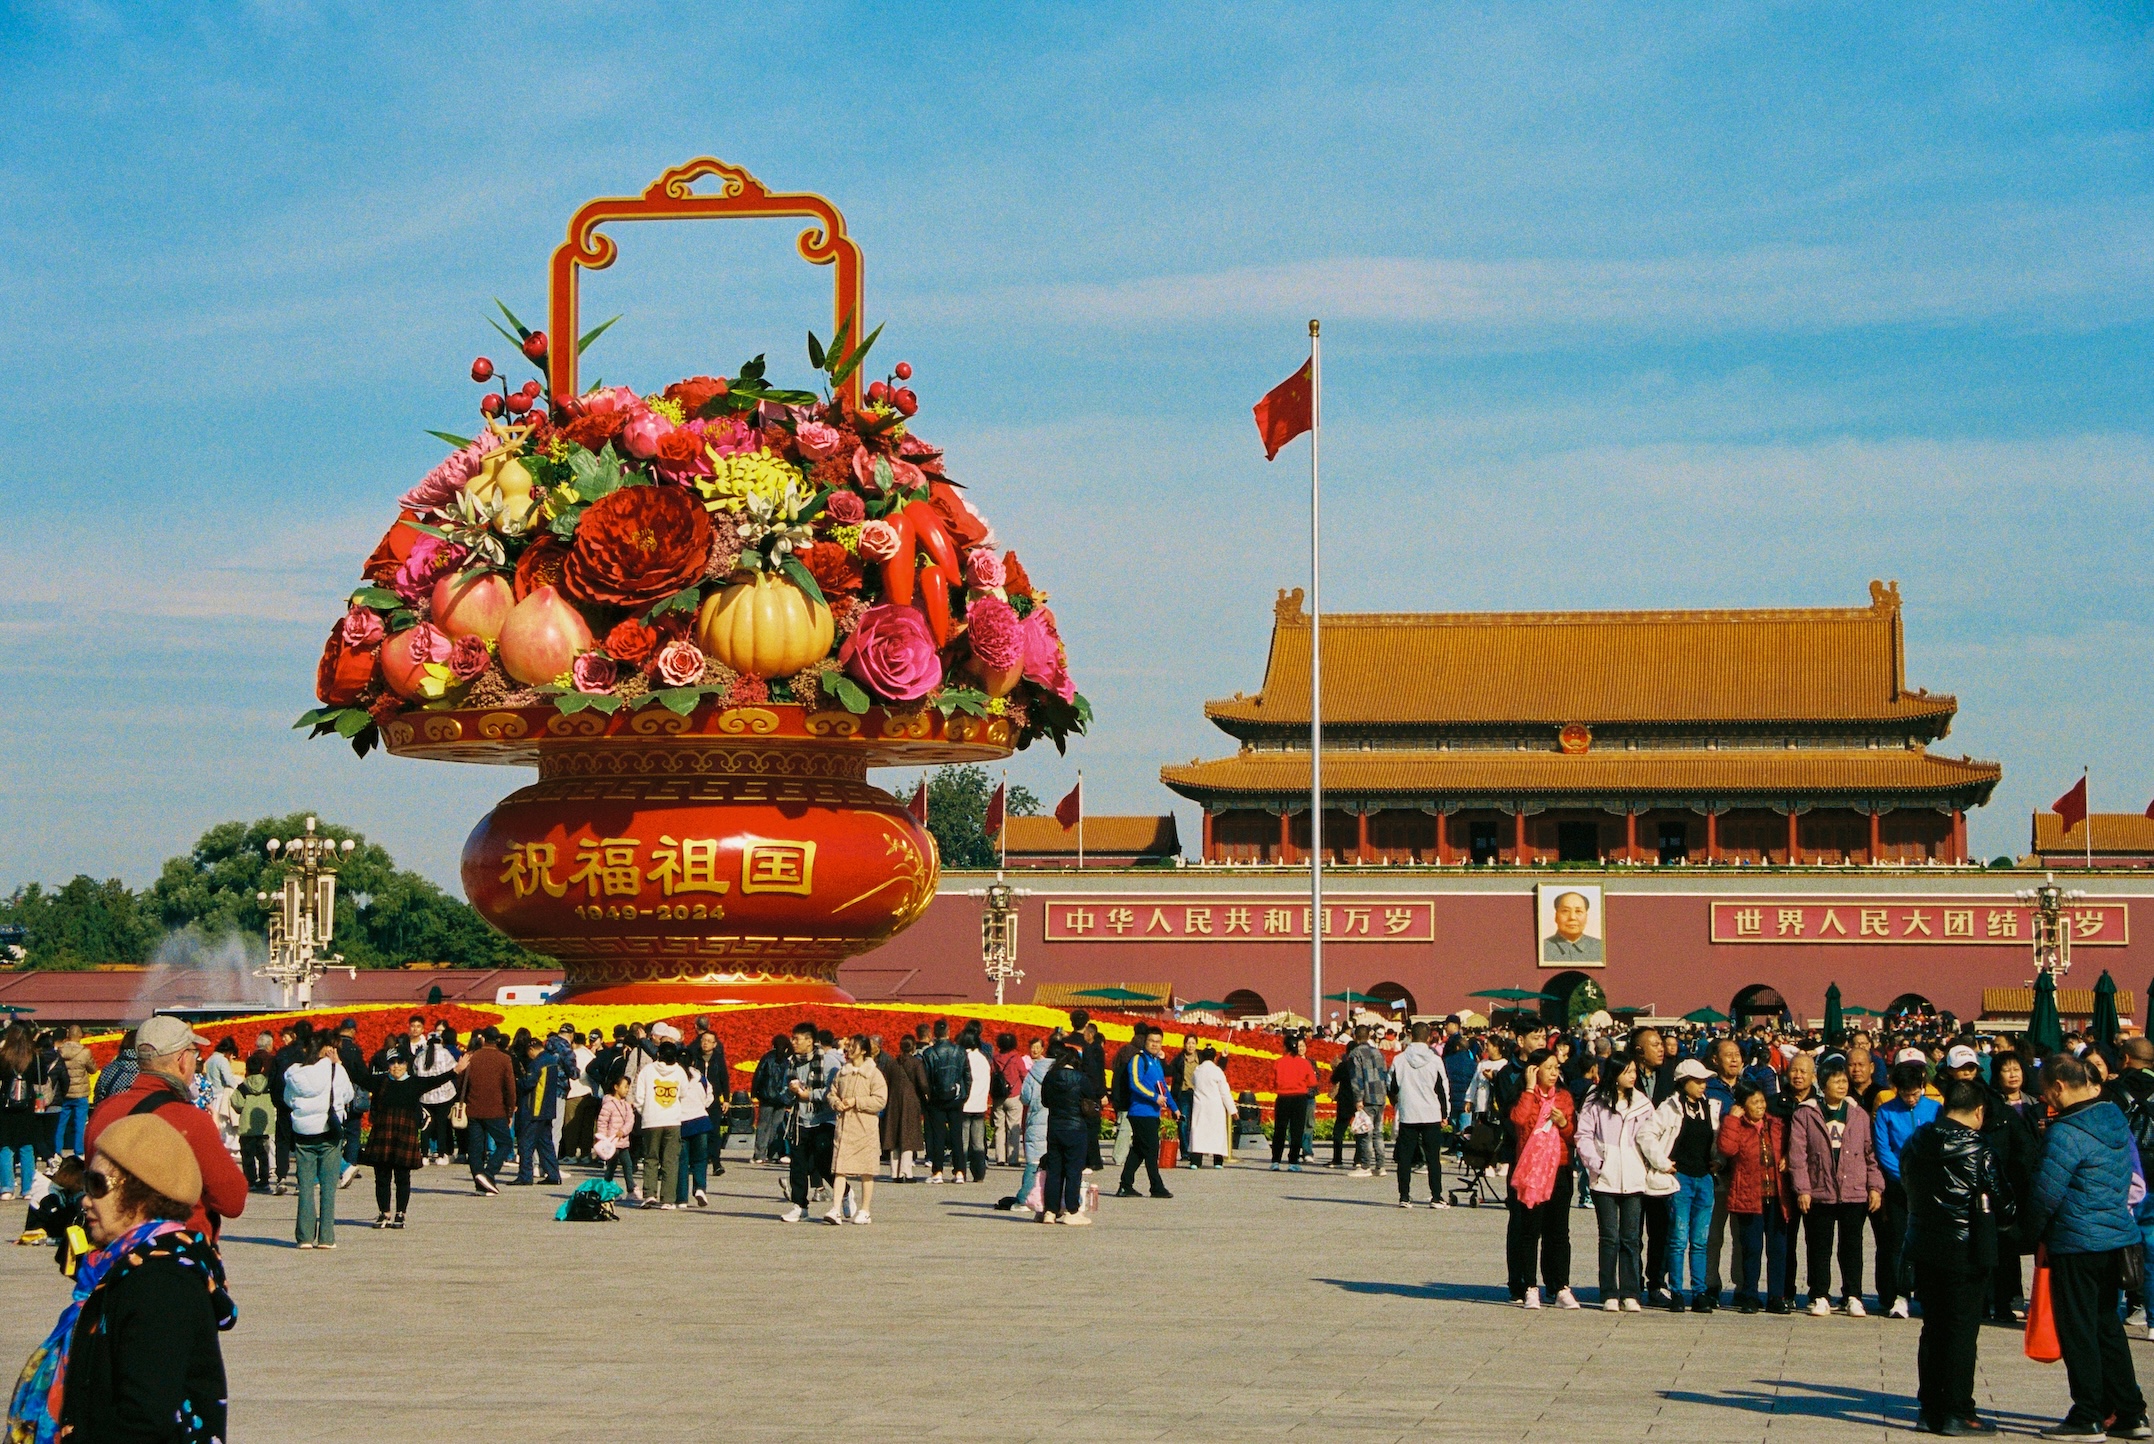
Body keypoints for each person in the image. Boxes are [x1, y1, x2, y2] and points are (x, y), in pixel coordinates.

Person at [4, 1115, 232, 1444]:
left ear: (141, 1194)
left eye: (97, 1185)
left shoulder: (162, 1282)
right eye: (85, 1184)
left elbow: (144, 1420)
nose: (85, 1199)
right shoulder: (124, 1269)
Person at [2027, 1050, 2148, 1439]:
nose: (2045, 1099)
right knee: (2107, 1326)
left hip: (2077, 1242)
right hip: (2116, 1238)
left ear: (2059, 1086)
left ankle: (2088, 1414)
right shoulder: (2113, 1117)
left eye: (2047, 1092)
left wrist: (2027, 1232)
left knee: (2078, 1330)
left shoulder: (2066, 1131)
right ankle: (2131, 1412)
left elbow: (2046, 1193)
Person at [85, 1016, 248, 1244]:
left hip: (113, 1250)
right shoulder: (191, 1120)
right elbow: (231, 1201)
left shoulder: (105, 1111)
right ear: (182, 1060)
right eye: (194, 1053)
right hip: (174, 1249)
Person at [1901, 1077, 1999, 1437]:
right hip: (1965, 1249)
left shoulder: (1917, 1141)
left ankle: (1930, 1408)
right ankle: (1958, 1410)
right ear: (1979, 1111)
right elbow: (2002, 1201)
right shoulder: (1979, 1148)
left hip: (1925, 1244)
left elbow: (1906, 1181)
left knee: (1933, 1328)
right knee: (1961, 1332)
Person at [1788, 1059, 1884, 1317]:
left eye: (1844, 1081)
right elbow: (1798, 1156)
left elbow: (1870, 1154)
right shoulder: (1806, 1114)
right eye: (1836, 1081)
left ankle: (1853, 1295)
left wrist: (1875, 1186)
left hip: (1854, 1191)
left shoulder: (1858, 1114)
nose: (1842, 1086)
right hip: (1820, 1191)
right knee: (1819, 1246)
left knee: (1852, 1246)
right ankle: (1819, 1294)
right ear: (1823, 1084)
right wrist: (1803, 1189)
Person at [1575, 1056, 1654, 1311]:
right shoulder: (1596, 1101)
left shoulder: (1642, 1103)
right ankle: (1609, 1292)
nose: (1633, 1076)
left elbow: (1652, 1135)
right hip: (1604, 1179)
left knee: (1631, 1238)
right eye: (1627, 1071)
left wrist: (1650, 1163)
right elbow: (1583, 1134)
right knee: (1609, 1237)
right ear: (1615, 1074)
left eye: (1634, 1071)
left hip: (1634, 1177)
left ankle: (1631, 1292)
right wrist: (1596, 1163)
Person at [1873, 1049, 1943, 1319]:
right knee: (1898, 1241)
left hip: (1929, 1186)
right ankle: (1900, 1294)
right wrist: (1904, 1177)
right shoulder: (1886, 1112)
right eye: (1905, 1094)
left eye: (1915, 1093)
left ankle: (1927, 1292)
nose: (1911, 1098)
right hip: (1899, 1185)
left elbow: (1940, 1145)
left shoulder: (1935, 1109)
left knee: (1929, 1241)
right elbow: (1883, 1150)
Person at [1506, 1047, 1579, 1309]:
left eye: (1556, 1068)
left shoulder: (1564, 1097)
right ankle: (1529, 1286)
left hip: (1559, 1168)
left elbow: (1573, 1135)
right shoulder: (1525, 1096)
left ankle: (1559, 1286)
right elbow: (1518, 1120)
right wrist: (1528, 1088)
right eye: (1548, 1068)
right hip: (1532, 1171)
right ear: (1534, 1070)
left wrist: (1564, 1124)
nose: (1553, 1073)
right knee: (1530, 1231)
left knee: (1558, 1231)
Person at [1717, 1082, 1789, 1314]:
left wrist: (1787, 1157)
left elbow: (1789, 1146)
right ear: (1742, 1105)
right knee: (1751, 1248)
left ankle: (1776, 1296)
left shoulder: (1775, 1124)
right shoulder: (1737, 1125)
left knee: (1778, 1249)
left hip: (1776, 1196)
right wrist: (1732, 1119)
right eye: (1754, 1102)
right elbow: (1727, 1149)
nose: (1760, 1106)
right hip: (1749, 1196)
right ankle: (1749, 1295)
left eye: (1762, 1101)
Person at [282, 1034, 351, 1249]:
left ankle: (304, 1237)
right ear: (325, 1049)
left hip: (303, 1133)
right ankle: (326, 1238)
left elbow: (288, 1099)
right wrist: (339, 1063)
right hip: (328, 1131)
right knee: (328, 1189)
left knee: (305, 1186)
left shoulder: (294, 1073)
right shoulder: (334, 1070)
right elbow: (348, 1095)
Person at [1767, 1050, 1819, 1311]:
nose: (1798, 1075)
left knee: (1816, 1240)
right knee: (1785, 1238)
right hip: (1783, 1181)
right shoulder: (1774, 1103)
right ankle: (1785, 1290)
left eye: (1803, 1071)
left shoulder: (1821, 1103)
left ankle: (1817, 1291)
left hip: (1816, 1181)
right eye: (1794, 1070)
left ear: (1813, 1076)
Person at [1039, 1040, 1103, 1225]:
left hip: (1055, 1128)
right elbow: (1091, 1098)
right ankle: (1072, 1210)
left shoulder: (1050, 1077)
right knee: (1073, 1171)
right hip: (1076, 1129)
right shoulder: (1081, 1078)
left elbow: (1045, 1101)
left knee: (1054, 1170)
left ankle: (1050, 1211)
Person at [363, 1046, 427, 1229]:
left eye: (400, 1062)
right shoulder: (381, 1081)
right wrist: (338, 1063)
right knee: (381, 1176)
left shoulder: (414, 1082)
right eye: (392, 1063)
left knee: (402, 1176)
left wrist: (455, 1071)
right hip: (383, 1133)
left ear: (407, 1064)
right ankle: (384, 1213)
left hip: (404, 1133)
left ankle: (400, 1213)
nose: (396, 1066)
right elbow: (359, 1077)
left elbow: (436, 1080)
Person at [778, 1023, 836, 1223]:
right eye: (792, 1038)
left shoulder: (827, 1061)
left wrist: (808, 1095)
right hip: (799, 1121)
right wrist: (791, 1091)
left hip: (822, 1119)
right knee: (798, 1165)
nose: (793, 1042)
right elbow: (783, 1094)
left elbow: (832, 1091)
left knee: (823, 1163)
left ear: (810, 1041)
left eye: (797, 1039)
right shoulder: (791, 1063)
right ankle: (800, 1206)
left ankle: (845, 1193)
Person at [828, 1035, 888, 1225]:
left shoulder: (873, 1074)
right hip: (844, 1128)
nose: (849, 1049)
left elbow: (880, 1100)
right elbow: (832, 1092)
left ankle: (865, 1210)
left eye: (853, 1046)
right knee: (840, 1170)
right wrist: (835, 1102)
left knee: (866, 1171)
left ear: (863, 1050)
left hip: (865, 1129)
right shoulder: (842, 1072)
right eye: (848, 1046)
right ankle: (835, 1209)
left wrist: (857, 1102)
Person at [1390, 1022, 1450, 1208]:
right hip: (1431, 1113)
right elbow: (1442, 1089)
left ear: (1411, 1036)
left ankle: (1404, 1196)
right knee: (1433, 1158)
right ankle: (1436, 1196)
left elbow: (1391, 1086)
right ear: (1429, 1037)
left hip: (1408, 1113)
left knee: (1405, 1158)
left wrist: (1398, 1103)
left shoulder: (1399, 1059)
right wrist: (1444, 1113)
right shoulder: (1435, 1060)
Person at [1114, 1028, 1177, 1200]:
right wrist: (1154, 1097)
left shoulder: (1156, 1062)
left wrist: (1175, 1108)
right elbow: (1135, 1083)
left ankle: (1125, 1185)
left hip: (1152, 1113)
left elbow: (1163, 1087)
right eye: (1151, 1041)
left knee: (1139, 1150)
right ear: (1145, 1042)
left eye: (1158, 1041)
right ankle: (1156, 1186)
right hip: (1140, 1112)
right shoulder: (1138, 1059)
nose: (1155, 1044)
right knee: (1151, 1149)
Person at [632, 1040, 693, 1211]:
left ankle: (649, 1194)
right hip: (672, 1120)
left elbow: (639, 1096)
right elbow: (684, 1093)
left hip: (651, 1120)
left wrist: (645, 1112)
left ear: (658, 1054)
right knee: (670, 1161)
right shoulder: (680, 1071)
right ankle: (668, 1199)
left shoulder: (647, 1070)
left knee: (651, 1159)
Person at [0, 1023, 56, 1201]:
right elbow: (43, 1079)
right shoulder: (35, 1057)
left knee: (6, 1147)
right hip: (27, 1107)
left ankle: (7, 1188)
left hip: (6, 1106)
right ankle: (27, 1189)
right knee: (26, 1147)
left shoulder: (3, 1056)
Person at [459, 1029, 517, 1196]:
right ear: (498, 1040)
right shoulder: (504, 1059)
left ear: (482, 1039)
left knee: (475, 1148)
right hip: (495, 1110)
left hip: (473, 1108)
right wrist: (510, 1109)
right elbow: (510, 1088)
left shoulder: (471, 1057)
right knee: (505, 1143)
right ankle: (488, 1174)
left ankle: (480, 1184)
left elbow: (461, 1082)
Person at [513, 1036, 567, 1187]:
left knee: (526, 1143)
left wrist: (518, 1081)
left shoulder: (537, 1063)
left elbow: (529, 1083)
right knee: (545, 1144)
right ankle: (553, 1175)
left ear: (531, 1049)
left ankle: (525, 1176)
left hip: (534, 1109)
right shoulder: (551, 1060)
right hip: (547, 1109)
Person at [920, 1020, 967, 1185]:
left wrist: (928, 1096)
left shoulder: (929, 1053)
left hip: (936, 1099)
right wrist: (964, 1095)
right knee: (956, 1136)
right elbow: (967, 1075)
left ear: (934, 1033)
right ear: (949, 1032)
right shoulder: (959, 1051)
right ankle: (959, 1172)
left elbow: (925, 1078)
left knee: (938, 1136)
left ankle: (937, 1171)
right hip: (956, 1098)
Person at [1345, 1025, 1390, 1177]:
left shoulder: (1355, 1054)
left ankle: (1365, 1166)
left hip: (1367, 1097)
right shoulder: (1378, 1052)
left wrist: (1358, 1098)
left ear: (1355, 1037)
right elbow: (1384, 1074)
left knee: (1365, 1133)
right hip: (1380, 1096)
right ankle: (1381, 1166)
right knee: (1378, 1133)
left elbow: (1356, 1078)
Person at [1270, 1035, 1319, 1171]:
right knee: (1297, 1130)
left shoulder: (1278, 1062)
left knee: (1279, 1130)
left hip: (1283, 1098)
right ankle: (1293, 1162)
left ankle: (1275, 1161)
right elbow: (1313, 1082)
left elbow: (1272, 1082)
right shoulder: (1304, 1063)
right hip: (1299, 1098)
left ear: (1285, 1047)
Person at [412, 1024, 459, 1167]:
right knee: (441, 1125)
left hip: (425, 1096)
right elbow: (454, 1070)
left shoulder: (420, 1056)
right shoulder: (445, 1054)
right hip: (443, 1095)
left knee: (426, 1126)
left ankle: (424, 1155)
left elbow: (415, 1071)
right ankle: (441, 1154)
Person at [883, 1035, 926, 1182]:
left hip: (893, 1102)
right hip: (911, 1102)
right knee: (908, 1138)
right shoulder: (916, 1063)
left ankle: (894, 1173)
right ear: (913, 1047)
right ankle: (906, 1172)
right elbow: (923, 1084)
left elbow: (885, 1082)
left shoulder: (891, 1063)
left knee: (894, 1137)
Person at [1187, 1046, 1236, 1168]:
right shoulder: (1217, 1071)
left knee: (1198, 1133)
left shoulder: (1197, 1070)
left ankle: (1195, 1161)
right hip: (1215, 1107)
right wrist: (1232, 1110)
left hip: (1200, 1106)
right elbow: (1225, 1092)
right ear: (1214, 1058)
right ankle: (1217, 1161)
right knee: (1217, 1133)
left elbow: (1193, 1082)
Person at [233, 1056, 275, 1192]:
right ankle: (264, 1181)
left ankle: (250, 1181)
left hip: (247, 1126)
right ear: (262, 1068)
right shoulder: (268, 1084)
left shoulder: (242, 1087)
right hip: (264, 1126)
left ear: (247, 1069)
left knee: (248, 1155)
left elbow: (236, 1103)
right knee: (263, 1155)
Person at [50, 1025, 93, 1159]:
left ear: (68, 1035)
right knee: (80, 1124)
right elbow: (92, 1069)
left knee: (60, 1123)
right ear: (80, 1035)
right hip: (80, 1093)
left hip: (64, 1093)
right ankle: (79, 1152)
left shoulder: (60, 1051)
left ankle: (57, 1151)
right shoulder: (85, 1052)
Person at [993, 1032, 1030, 1167]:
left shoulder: (995, 1057)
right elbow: (1024, 1075)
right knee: (1013, 1128)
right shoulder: (1016, 1058)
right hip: (1014, 1095)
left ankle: (1000, 1158)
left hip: (999, 1097)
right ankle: (1012, 1159)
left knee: (999, 1128)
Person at [1542, 889, 1602, 962]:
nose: (1572, 917)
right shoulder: (1542, 948)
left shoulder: (1601, 947)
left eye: (1578, 911)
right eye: (1565, 911)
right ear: (1556, 916)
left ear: (1586, 917)